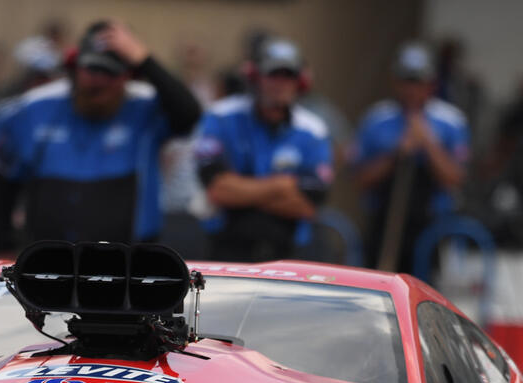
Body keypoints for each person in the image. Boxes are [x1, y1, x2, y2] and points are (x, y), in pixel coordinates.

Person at [0, 20, 201, 250]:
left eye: (109, 72)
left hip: (132, 256)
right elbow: (3, 179)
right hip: (46, 258)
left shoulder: (144, 108)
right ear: (75, 67)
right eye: (92, 69)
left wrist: (145, 59)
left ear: (127, 76)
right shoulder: (35, 108)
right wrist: (3, 244)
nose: (98, 81)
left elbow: (189, 114)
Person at [193, 38, 333, 262]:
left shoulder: (314, 130)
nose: (280, 84)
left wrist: (241, 191)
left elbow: (307, 206)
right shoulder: (220, 117)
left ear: (301, 82)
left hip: (289, 252)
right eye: (272, 75)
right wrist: (282, 186)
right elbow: (218, 190)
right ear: (254, 77)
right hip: (226, 247)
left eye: (288, 76)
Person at [350, 41, 470, 273]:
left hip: (432, 226)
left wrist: (427, 143)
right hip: (384, 223)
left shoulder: (450, 121)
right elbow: (360, 178)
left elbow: (456, 178)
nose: (411, 89)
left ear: (431, 84)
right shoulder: (377, 119)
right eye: (406, 80)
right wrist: (396, 154)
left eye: (418, 81)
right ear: (395, 82)